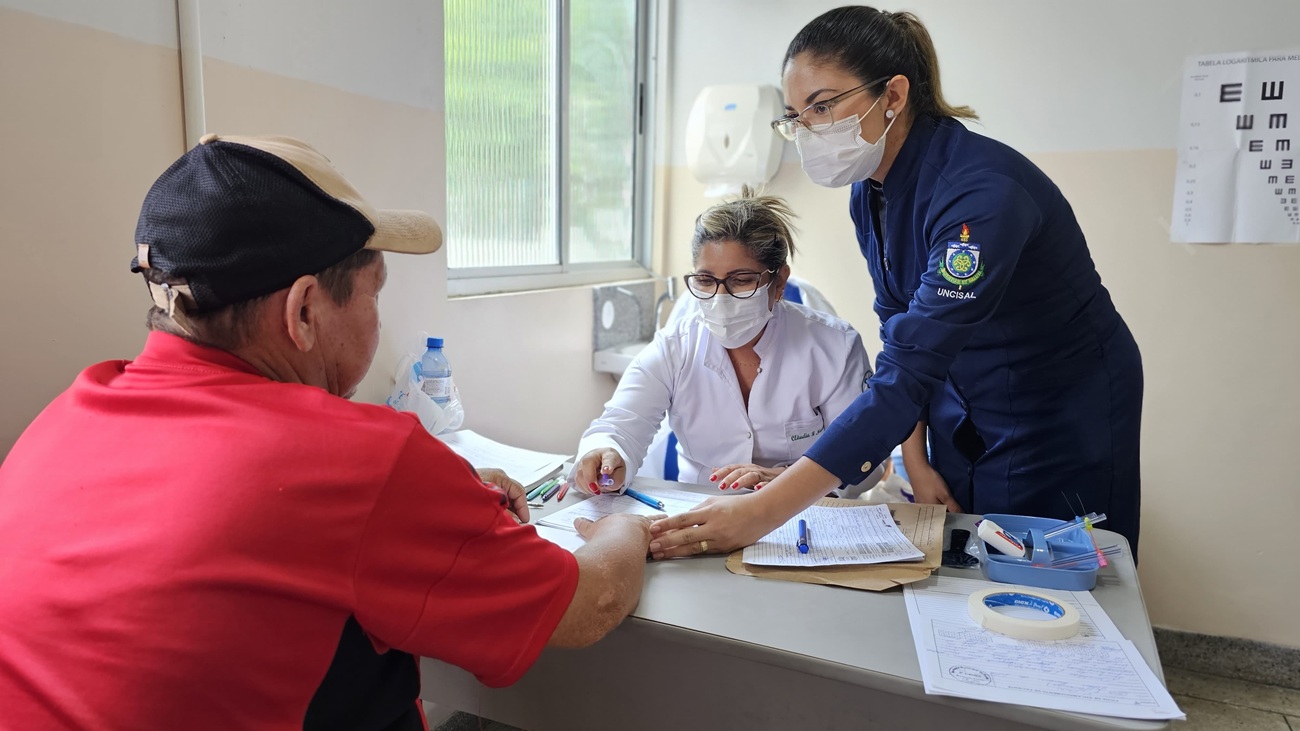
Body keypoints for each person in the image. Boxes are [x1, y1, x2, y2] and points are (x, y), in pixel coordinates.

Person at [0, 134, 652, 730]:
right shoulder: (360, 457)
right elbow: (589, 606)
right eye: (374, 292)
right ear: (305, 309)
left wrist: (431, 505)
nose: (377, 315)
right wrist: (628, 525)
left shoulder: (65, 415)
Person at [647, 6, 1143, 560]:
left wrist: (759, 514)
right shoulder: (872, 190)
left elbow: (909, 368)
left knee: (1056, 566)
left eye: (823, 105)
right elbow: (898, 329)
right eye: (795, 115)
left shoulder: (982, 195)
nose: (807, 129)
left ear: (894, 95)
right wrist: (918, 458)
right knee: (967, 556)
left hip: (1056, 405)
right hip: (963, 396)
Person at [574, 187, 884, 497]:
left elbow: (867, 463)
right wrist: (607, 452)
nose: (721, 298)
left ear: (779, 282)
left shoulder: (834, 347)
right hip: (698, 514)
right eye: (706, 280)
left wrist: (785, 478)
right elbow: (620, 424)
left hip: (803, 514)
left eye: (742, 280)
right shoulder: (674, 347)